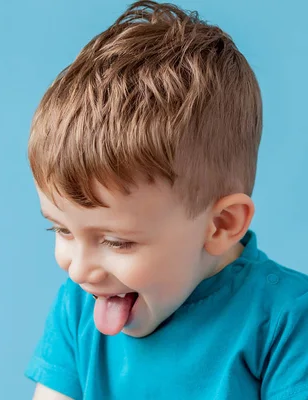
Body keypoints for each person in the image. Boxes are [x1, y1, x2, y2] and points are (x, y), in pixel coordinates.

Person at [24, 1, 308, 399]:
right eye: (61, 229)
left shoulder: (288, 321)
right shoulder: (78, 308)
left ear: (222, 224)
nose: (80, 271)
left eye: (116, 241)